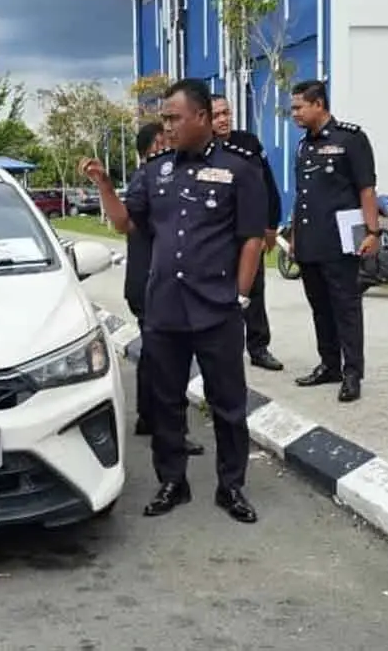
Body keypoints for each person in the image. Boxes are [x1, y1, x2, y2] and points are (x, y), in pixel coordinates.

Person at [79, 78, 267, 522]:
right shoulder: (155, 169)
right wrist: (105, 185)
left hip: (216, 307)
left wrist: (239, 297)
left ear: (201, 117)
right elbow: (125, 223)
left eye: (173, 118)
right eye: (164, 119)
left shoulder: (239, 169)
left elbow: (252, 240)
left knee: (228, 403)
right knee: (165, 401)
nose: (166, 127)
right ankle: (172, 481)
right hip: (165, 306)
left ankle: (231, 486)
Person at [288, 80, 380, 403]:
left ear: (319, 104)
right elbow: (303, 196)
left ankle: (352, 372)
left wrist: (372, 232)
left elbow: (366, 189)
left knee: (346, 307)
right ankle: (329, 364)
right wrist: (296, 237)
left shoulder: (351, 139)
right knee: (320, 308)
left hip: (341, 240)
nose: (294, 113)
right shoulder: (303, 146)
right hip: (311, 240)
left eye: (299, 107)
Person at [125, 122, 205, 457]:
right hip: (151, 284)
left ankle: (148, 416)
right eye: (159, 143)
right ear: (146, 151)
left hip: (152, 283)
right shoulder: (148, 181)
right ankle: (170, 429)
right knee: (167, 360)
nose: (166, 145)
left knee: (152, 355)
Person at [210, 94, 284, 372]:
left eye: (226, 113)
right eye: (216, 115)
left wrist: (271, 226)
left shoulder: (248, 144)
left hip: (249, 233)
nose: (223, 119)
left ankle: (258, 347)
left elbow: (268, 186)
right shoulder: (201, 150)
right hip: (218, 236)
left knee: (254, 290)